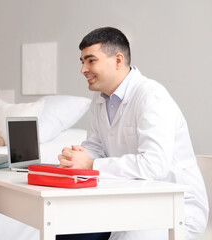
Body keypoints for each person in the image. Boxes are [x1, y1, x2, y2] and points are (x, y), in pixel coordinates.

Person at [58, 27, 208, 240]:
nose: (83, 69)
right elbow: (96, 147)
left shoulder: (151, 96)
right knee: (68, 230)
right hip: (130, 199)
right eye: (82, 61)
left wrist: (91, 165)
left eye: (91, 61)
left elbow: (155, 165)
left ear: (118, 60)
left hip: (174, 208)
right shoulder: (101, 99)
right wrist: (77, 156)